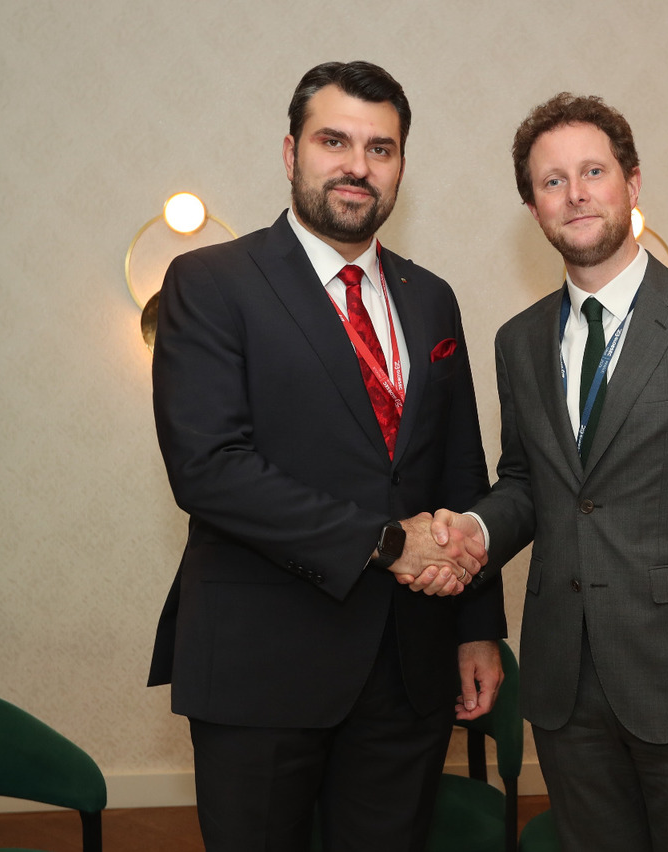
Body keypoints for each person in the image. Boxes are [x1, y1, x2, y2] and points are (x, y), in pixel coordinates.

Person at [426, 93, 668, 851]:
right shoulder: (518, 341)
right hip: (566, 690)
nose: (575, 193)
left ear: (632, 182)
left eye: (593, 171)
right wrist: (471, 529)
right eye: (552, 181)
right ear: (533, 208)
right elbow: (529, 483)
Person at [147, 60, 506, 852]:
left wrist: (477, 628)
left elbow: (459, 466)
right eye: (333, 141)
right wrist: (387, 542)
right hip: (261, 662)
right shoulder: (210, 282)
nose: (357, 165)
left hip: (409, 663)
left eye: (381, 148)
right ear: (291, 152)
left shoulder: (431, 296)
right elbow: (209, 468)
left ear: (401, 166)